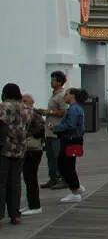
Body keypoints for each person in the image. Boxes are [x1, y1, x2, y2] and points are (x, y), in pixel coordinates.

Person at [0, 84, 33, 224]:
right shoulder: (27, 109)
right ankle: (15, 214)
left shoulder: (4, 106)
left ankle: (0, 214)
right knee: (15, 182)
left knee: (1, 183)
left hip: (4, 149)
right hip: (20, 149)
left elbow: (2, 124)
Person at [52, 88, 89, 203]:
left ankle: (75, 191)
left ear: (72, 96)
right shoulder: (77, 108)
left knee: (65, 165)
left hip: (70, 140)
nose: (64, 96)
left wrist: (55, 128)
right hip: (74, 140)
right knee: (68, 165)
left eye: (66, 94)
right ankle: (76, 187)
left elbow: (71, 125)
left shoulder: (73, 109)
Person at [40, 70, 68, 189]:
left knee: (58, 156)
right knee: (50, 157)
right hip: (50, 131)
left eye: (53, 80)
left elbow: (64, 111)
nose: (51, 82)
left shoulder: (61, 96)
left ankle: (63, 179)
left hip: (57, 131)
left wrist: (49, 112)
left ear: (59, 82)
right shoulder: (54, 94)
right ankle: (53, 178)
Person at [20, 93, 46, 216]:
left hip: (32, 148)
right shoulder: (34, 114)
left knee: (30, 177)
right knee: (28, 177)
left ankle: (35, 205)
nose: (22, 103)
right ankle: (32, 204)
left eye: (24, 101)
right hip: (33, 148)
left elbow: (38, 131)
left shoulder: (32, 114)